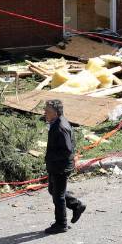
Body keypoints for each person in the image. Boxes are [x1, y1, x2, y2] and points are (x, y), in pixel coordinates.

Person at [43, 98, 86, 234]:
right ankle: (76, 205)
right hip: (55, 165)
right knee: (53, 190)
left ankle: (61, 224)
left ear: (55, 113)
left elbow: (67, 150)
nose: (45, 113)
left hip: (60, 167)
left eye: (47, 111)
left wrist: (51, 158)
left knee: (58, 196)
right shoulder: (56, 122)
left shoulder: (61, 127)